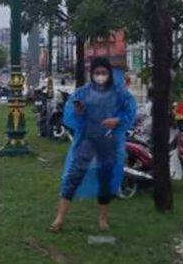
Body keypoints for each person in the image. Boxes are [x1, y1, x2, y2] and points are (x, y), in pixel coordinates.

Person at [49, 57, 137, 232]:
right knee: (74, 175)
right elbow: (71, 117)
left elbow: (130, 111)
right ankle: (59, 218)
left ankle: (103, 218)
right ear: (91, 74)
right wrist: (79, 111)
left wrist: (117, 120)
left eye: (104, 72)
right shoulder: (82, 93)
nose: (100, 76)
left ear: (109, 74)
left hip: (108, 140)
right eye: (97, 72)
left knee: (105, 177)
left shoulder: (119, 93)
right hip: (87, 139)